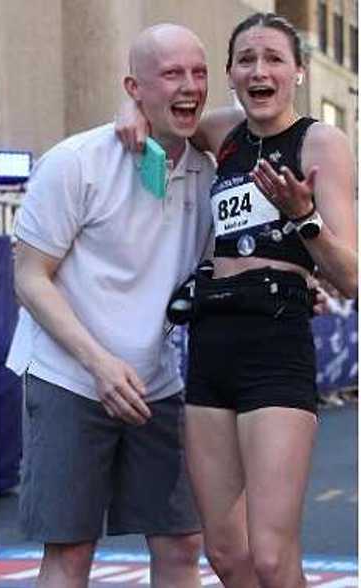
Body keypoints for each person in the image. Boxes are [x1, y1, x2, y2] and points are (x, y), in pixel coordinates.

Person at [114, 13, 357, 587]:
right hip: (211, 342)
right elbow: (156, 111)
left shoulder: (320, 141)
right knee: (227, 558)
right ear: (230, 74)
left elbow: (350, 278)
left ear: (297, 71)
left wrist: (304, 218)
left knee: (272, 558)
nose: (259, 70)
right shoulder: (223, 131)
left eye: (273, 58)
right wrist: (129, 110)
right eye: (246, 59)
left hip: (276, 342)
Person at [5, 24, 213, 586]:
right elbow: (29, 278)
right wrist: (98, 363)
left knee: (181, 543)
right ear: (133, 86)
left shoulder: (209, 169)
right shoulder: (75, 162)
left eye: (199, 72)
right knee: (70, 551)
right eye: (171, 74)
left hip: (157, 384)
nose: (189, 86)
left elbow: (268, 119)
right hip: (70, 379)